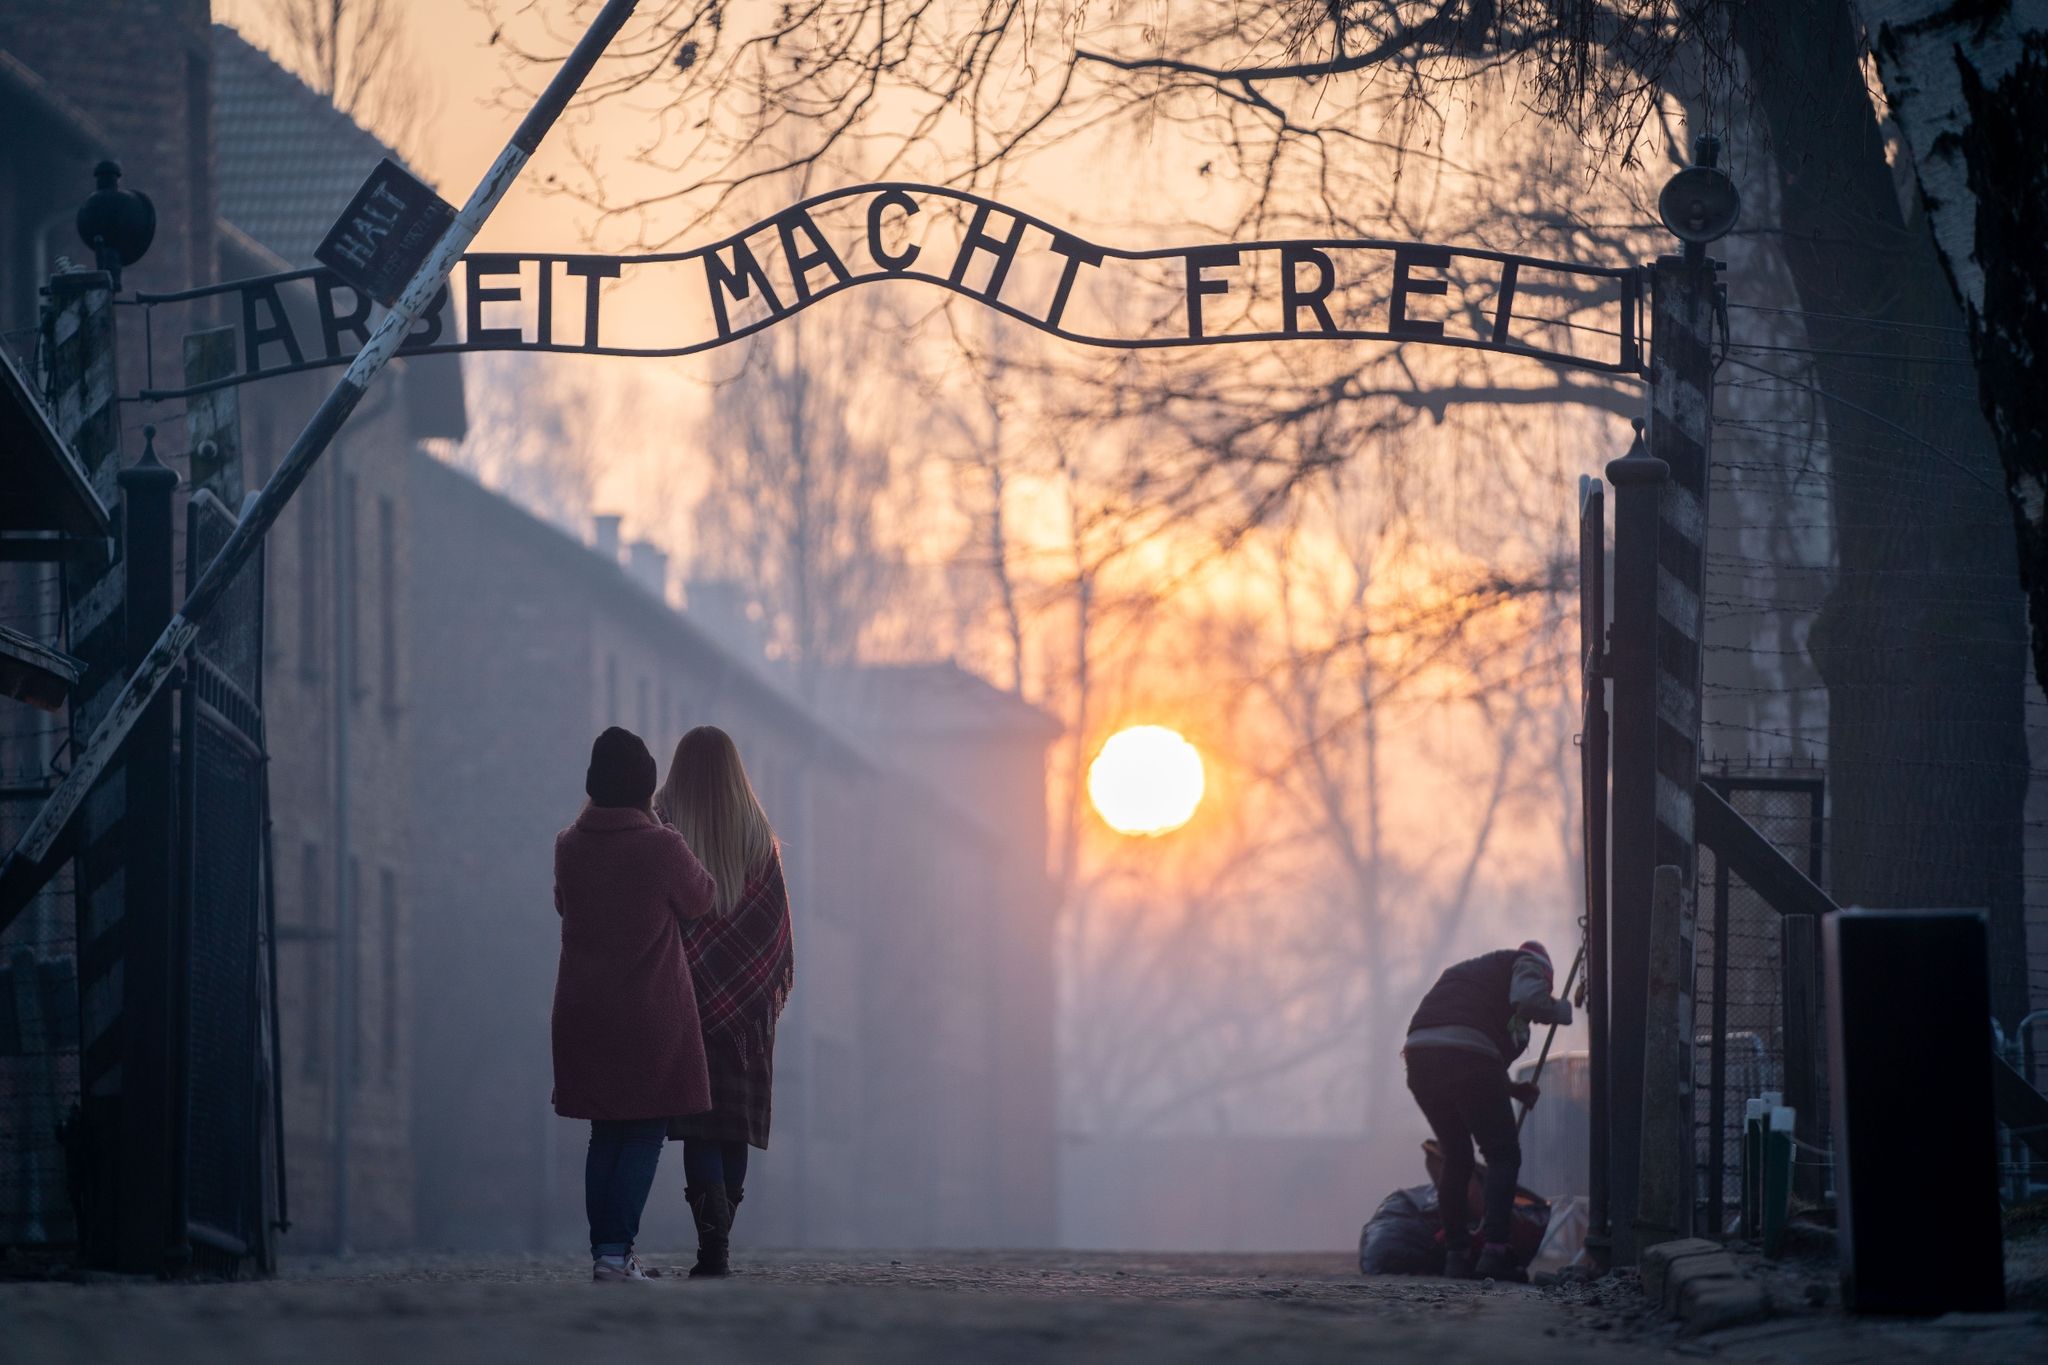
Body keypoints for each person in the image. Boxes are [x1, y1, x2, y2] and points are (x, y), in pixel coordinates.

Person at [552, 727, 717, 1282]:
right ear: (646, 789)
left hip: (584, 1010)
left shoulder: (569, 846)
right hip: (647, 1013)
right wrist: (667, 832)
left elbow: (562, 904)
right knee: (643, 1131)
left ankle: (607, 1252)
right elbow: (701, 896)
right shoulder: (660, 846)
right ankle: (618, 1253)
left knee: (605, 1132)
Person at [655, 726, 795, 1279]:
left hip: (682, 1003)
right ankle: (719, 1246)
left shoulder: (664, 825)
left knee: (698, 1127)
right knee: (732, 1126)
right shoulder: (758, 835)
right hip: (747, 1018)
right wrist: (751, 993)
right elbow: (773, 933)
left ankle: (711, 1245)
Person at [1403, 939, 1573, 1282]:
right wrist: (1559, 1010)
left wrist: (1511, 1088)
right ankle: (1495, 1252)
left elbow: (1469, 1043)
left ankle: (1457, 1254)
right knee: (1503, 1154)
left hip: (1421, 1058)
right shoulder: (1528, 961)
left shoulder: (1471, 977)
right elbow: (1527, 1001)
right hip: (1466, 1057)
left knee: (1458, 1157)